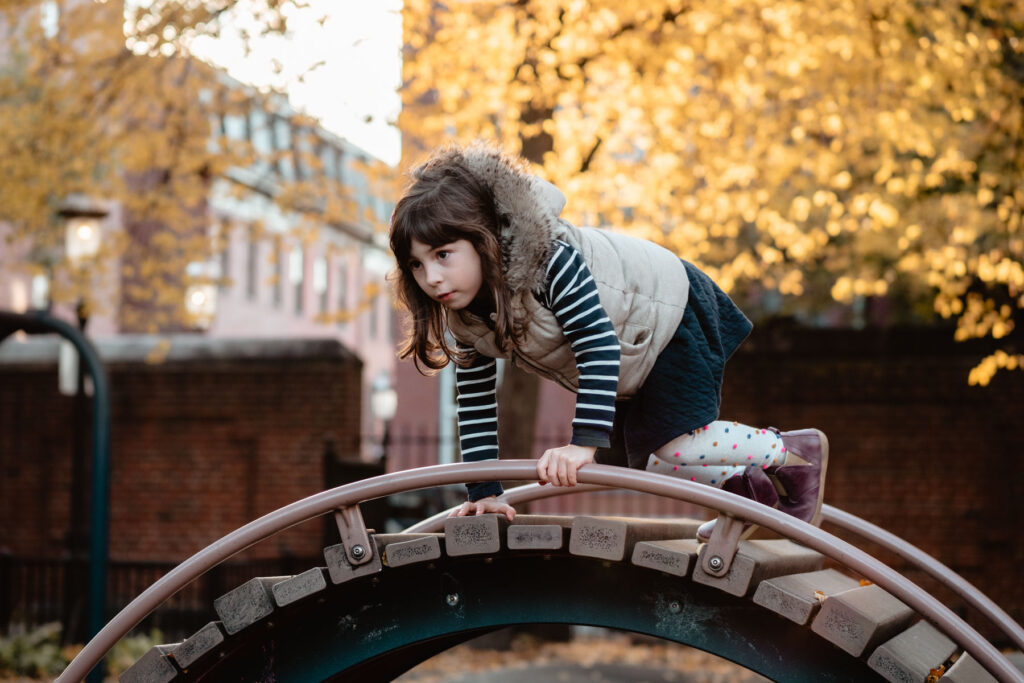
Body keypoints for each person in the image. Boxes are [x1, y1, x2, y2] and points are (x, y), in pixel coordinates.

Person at [388, 142, 828, 540]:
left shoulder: (549, 262)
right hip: (635, 344)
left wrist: (581, 445)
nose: (432, 277)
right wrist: (484, 490)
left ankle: (794, 452)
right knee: (651, 461)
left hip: (672, 310)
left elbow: (597, 345)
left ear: (482, 239)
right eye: (417, 265)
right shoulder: (465, 317)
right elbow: (475, 402)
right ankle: (747, 491)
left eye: (443, 255)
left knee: (674, 443)